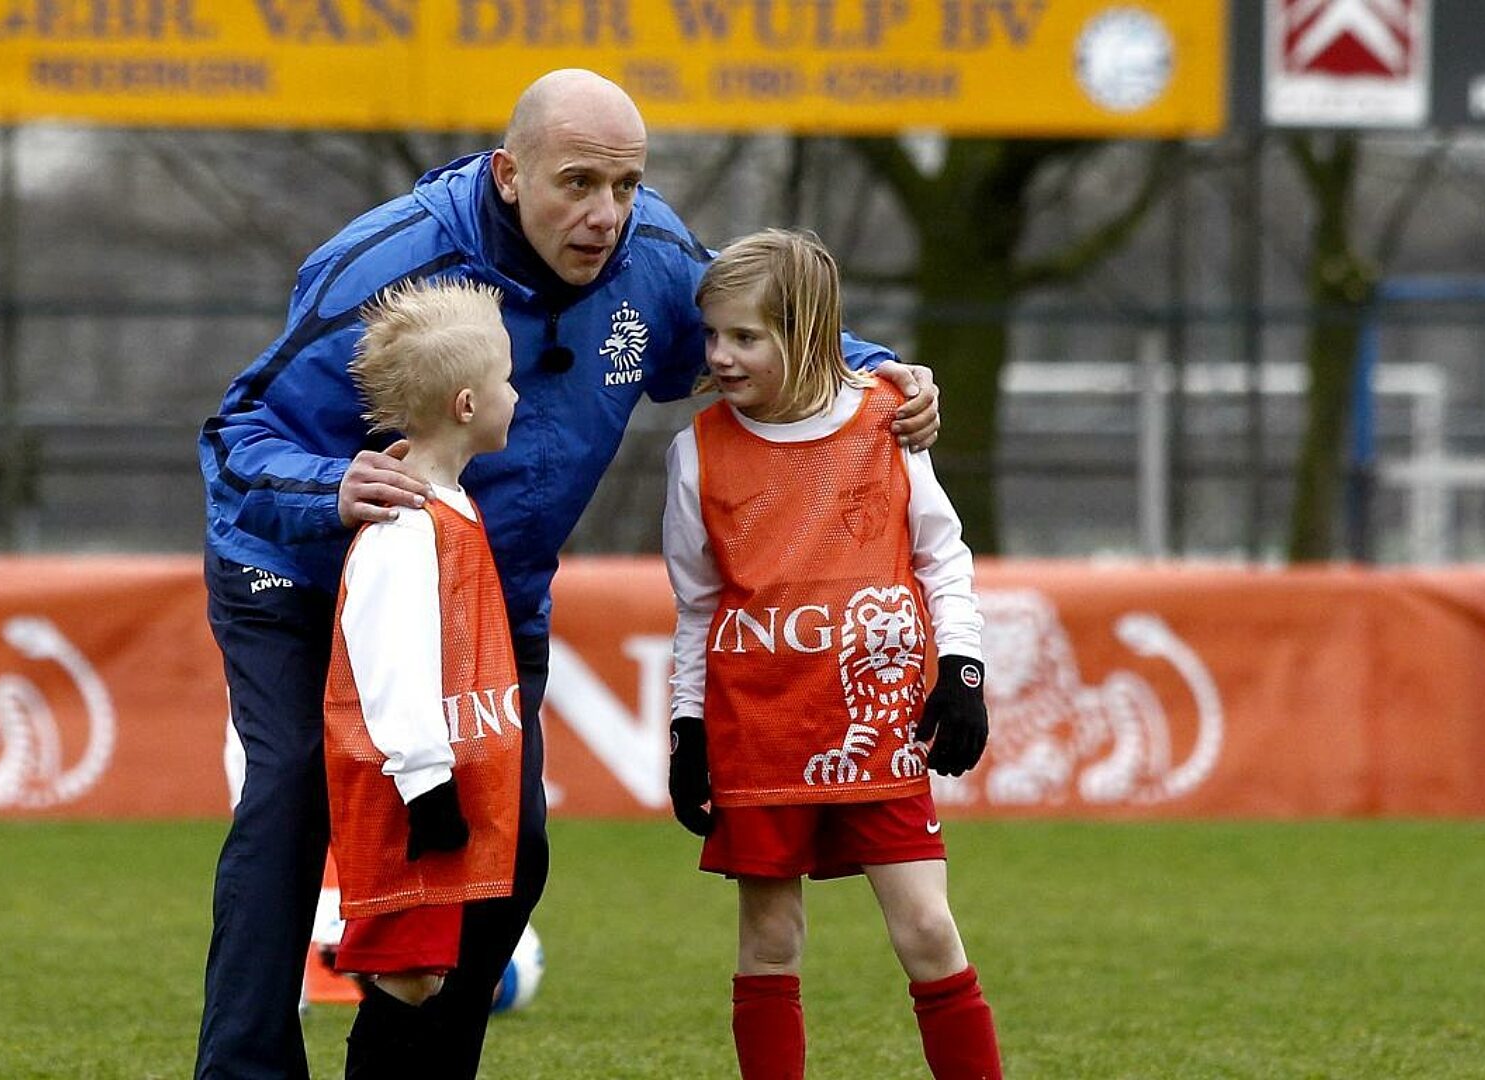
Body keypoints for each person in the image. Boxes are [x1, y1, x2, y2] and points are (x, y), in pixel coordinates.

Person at [196, 68, 940, 1079]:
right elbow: (239, 430)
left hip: (488, 598)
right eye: (578, 183)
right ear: (509, 175)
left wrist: (880, 375)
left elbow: (768, 327)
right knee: (292, 802)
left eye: (626, 185)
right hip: (303, 571)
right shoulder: (388, 263)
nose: (606, 215)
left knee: (510, 853)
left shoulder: (656, 258)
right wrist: (330, 485)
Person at [662, 229, 1001, 1080]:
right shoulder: (696, 452)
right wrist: (688, 728)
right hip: (760, 733)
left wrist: (961, 670)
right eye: (712, 336)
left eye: (745, 337)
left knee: (926, 927)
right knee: (770, 938)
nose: (720, 356)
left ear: (807, 332)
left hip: (876, 729)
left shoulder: (886, 420)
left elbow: (942, 555)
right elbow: (697, 605)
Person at [322, 279, 524, 1075]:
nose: (519, 393)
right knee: (406, 976)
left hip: (443, 788)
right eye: (509, 379)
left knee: (425, 974)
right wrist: (426, 784)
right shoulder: (407, 525)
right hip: (412, 797)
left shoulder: (452, 506)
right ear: (469, 404)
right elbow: (391, 664)